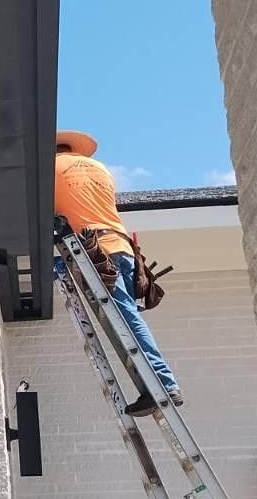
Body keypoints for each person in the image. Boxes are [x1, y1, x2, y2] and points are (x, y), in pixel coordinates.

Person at [54, 129, 182, 414]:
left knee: (126, 317)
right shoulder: (100, 169)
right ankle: (153, 386)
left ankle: (163, 382)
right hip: (122, 247)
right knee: (125, 314)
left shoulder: (51, 169)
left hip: (94, 251)